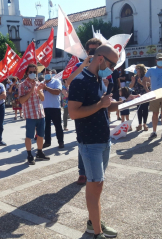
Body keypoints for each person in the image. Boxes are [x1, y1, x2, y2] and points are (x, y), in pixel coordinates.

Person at [68, 45, 120, 239]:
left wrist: (126, 102)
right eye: (112, 64)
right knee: (95, 184)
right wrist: (101, 104)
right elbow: (74, 113)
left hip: (104, 140)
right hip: (90, 142)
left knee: (97, 184)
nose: (113, 69)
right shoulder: (79, 81)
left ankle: (93, 222)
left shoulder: (100, 80)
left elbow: (103, 107)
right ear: (101, 59)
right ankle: (97, 232)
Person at [65, 37, 103, 186]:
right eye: (90, 50)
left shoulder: (104, 67)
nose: (92, 53)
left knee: (99, 142)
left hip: (100, 109)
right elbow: (69, 81)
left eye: (96, 50)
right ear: (86, 51)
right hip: (82, 110)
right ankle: (82, 172)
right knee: (83, 141)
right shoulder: (80, 65)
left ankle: (96, 171)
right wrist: (84, 65)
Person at [18, 64, 49, 165]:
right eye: (30, 72)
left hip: (40, 113)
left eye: (34, 72)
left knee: (40, 136)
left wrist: (39, 90)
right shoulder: (22, 85)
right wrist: (31, 91)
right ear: (27, 73)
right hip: (30, 115)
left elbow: (43, 99)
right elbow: (21, 100)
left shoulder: (38, 83)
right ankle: (29, 155)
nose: (32, 74)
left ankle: (39, 152)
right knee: (29, 136)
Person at [143, 53, 162, 140]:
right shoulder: (151, 69)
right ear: (156, 60)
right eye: (159, 59)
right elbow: (144, 80)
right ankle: (154, 132)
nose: (161, 61)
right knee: (155, 113)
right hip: (155, 94)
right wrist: (147, 90)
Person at [41, 68, 64, 149]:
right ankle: (47, 142)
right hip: (44, 108)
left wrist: (46, 88)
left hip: (55, 107)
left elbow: (57, 91)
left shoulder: (56, 81)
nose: (47, 74)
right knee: (46, 127)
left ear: (51, 73)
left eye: (48, 73)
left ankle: (60, 142)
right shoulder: (41, 83)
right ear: (43, 75)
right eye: (45, 73)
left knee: (58, 126)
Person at [130, 64, 150, 131]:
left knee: (145, 109)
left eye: (137, 69)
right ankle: (139, 124)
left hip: (145, 95)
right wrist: (132, 82)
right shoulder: (135, 77)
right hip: (137, 95)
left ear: (141, 69)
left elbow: (149, 84)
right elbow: (130, 86)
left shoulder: (146, 76)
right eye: (135, 69)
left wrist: (141, 83)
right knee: (139, 109)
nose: (136, 70)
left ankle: (145, 124)